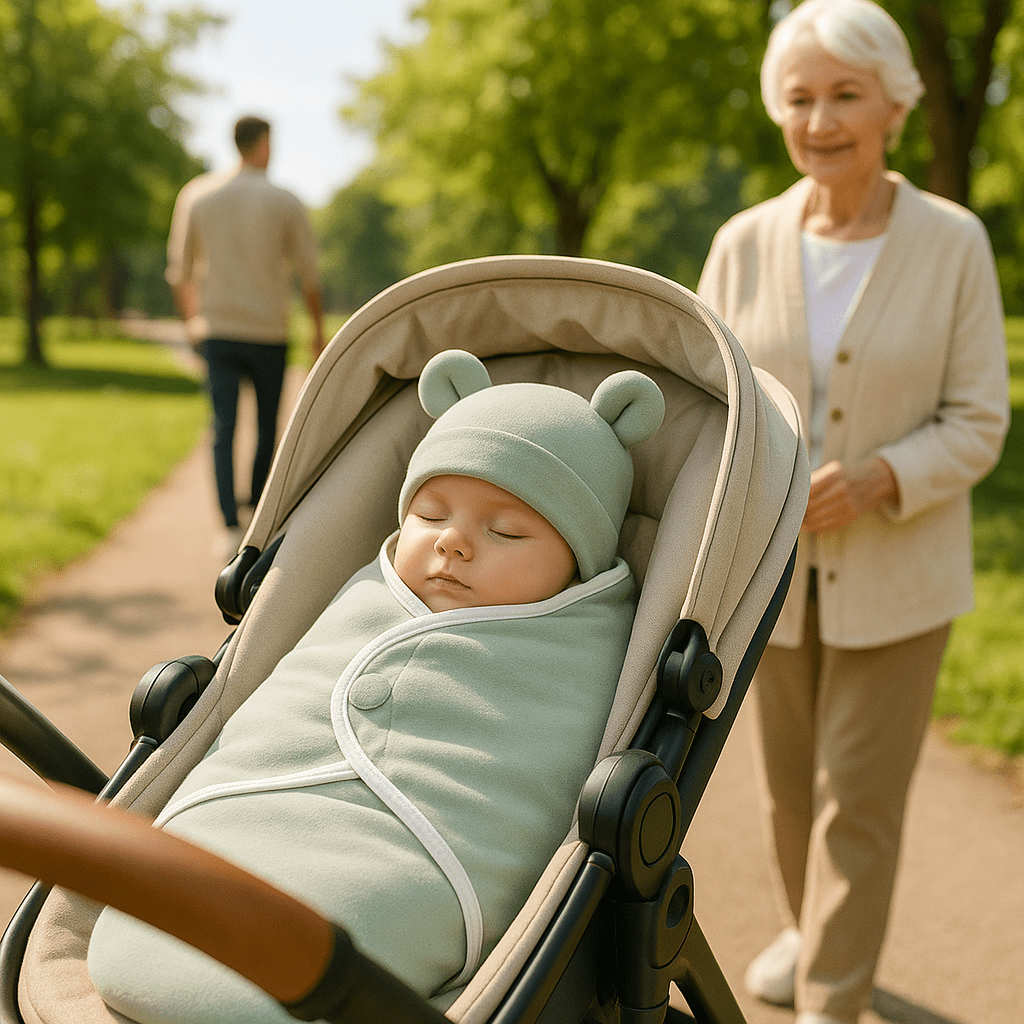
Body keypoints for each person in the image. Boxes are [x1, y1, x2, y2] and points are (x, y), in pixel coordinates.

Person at [87, 349, 666, 1022]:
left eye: (506, 529)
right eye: (429, 514)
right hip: (246, 810)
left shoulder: (587, 641)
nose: (453, 542)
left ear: (581, 560)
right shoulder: (361, 592)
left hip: (424, 855)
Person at [696, 3, 1010, 1023]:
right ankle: (808, 930)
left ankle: (833, 997)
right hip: (771, 575)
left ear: (893, 105)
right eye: (800, 98)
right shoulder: (741, 243)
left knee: (857, 803)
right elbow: (709, 398)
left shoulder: (950, 240)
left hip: (902, 574)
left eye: (844, 95)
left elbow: (978, 418)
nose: (821, 119)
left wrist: (878, 476)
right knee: (787, 792)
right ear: (776, 111)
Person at [165, 115, 326, 554]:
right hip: (269, 333)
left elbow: (179, 271)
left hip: (217, 330)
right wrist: (317, 331)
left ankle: (227, 524)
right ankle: (256, 511)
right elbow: (310, 277)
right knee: (267, 425)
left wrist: (192, 325)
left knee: (223, 425)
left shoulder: (197, 195)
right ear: (264, 144)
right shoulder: (285, 201)